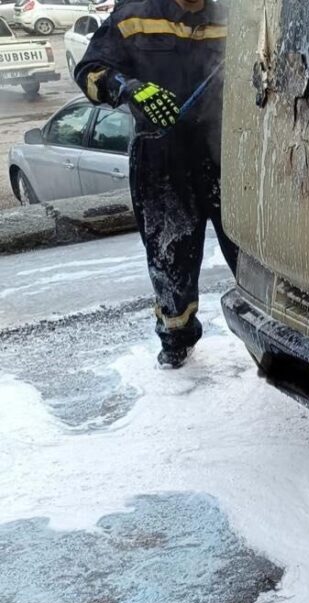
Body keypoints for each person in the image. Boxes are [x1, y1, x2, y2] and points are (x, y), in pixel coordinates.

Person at [76, 0, 236, 369]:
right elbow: (89, 70)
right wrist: (130, 89)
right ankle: (176, 344)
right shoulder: (135, 17)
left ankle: (270, 335)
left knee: (252, 254)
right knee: (170, 257)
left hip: (224, 152)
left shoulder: (230, 15)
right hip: (161, 157)